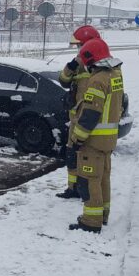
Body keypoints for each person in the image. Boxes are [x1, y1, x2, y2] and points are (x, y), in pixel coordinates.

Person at [68, 38, 124, 233]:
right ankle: (103, 214)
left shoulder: (97, 80)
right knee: (102, 178)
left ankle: (91, 222)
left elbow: (90, 114)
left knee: (88, 179)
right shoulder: (115, 74)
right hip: (109, 138)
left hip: (94, 139)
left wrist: (77, 139)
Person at [56, 25, 102, 199]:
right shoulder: (77, 64)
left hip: (89, 120)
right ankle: (72, 188)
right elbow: (63, 80)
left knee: (86, 158)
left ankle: (86, 191)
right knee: (71, 155)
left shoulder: (99, 65)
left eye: (79, 45)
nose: (78, 49)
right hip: (75, 118)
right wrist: (72, 65)